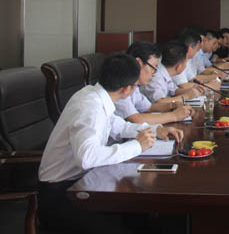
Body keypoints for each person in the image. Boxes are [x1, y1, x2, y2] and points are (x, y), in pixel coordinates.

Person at [38, 53, 183, 234]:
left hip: (83, 182)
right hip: (61, 194)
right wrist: (137, 146)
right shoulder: (90, 107)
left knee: (139, 215)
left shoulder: (96, 95)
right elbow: (87, 157)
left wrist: (155, 130)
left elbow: (118, 126)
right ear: (127, 89)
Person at [115, 41, 193, 124]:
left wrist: (173, 105)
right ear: (139, 62)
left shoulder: (134, 85)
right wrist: (175, 116)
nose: (154, 74)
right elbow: (135, 119)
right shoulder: (121, 84)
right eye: (153, 68)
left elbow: (149, 107)